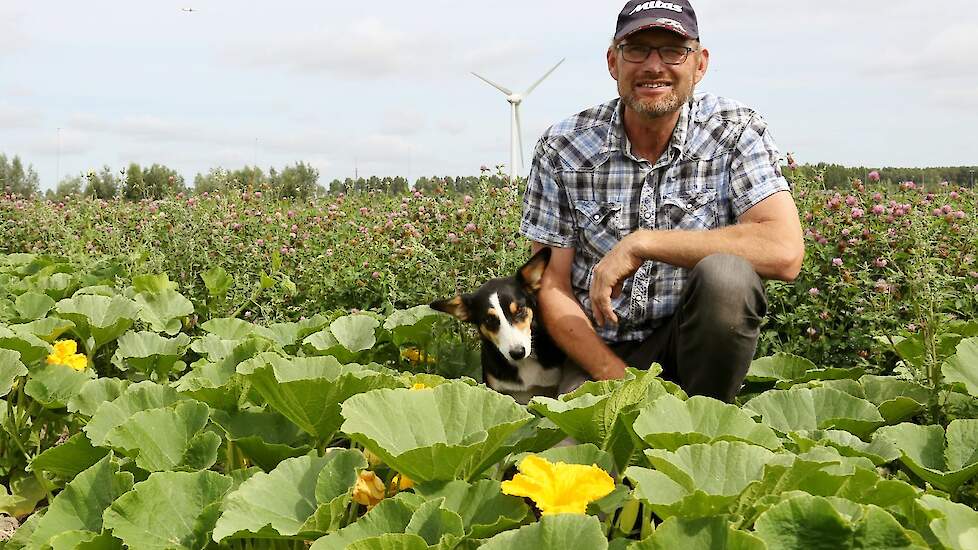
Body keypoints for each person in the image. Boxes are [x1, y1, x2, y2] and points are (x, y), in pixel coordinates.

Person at [519, 0, 805, 403]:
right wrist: (622, 384)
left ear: (700, 64)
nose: (654, 66)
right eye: (637, 50)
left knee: (728, 278)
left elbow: (784, 251)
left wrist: (644, 243)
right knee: (573, 459)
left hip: (690, 350)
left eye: (673, 50)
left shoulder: (735, 131)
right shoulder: (564, 146)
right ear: (613, 62)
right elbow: (552, 286)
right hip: (596, 353)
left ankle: (705, 420)